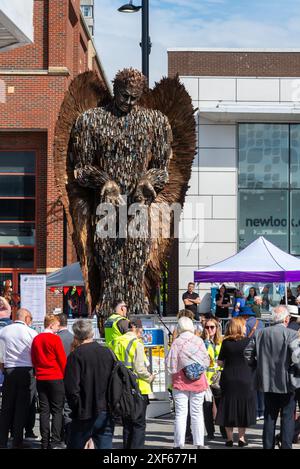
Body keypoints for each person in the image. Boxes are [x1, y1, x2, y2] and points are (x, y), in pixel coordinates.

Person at [245, 305, 300, 449]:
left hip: (267, 382)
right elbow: (298, 358)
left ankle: (268, 446)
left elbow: (248, 354)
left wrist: (258, 366)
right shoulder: (291, 334)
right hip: (288, 383)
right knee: (287, 418)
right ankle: (286, 446)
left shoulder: (260, 333)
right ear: (286, 319)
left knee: (270, 417)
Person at [64, 319, 115, 449]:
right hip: (105, 409)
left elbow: (71, 388)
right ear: (92, 333)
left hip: (84, 411)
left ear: (76, 336)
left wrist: (75, 408)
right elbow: (114, 382)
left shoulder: (75, 356)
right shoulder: (107, 352)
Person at [110, 319, 155, 449]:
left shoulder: (115, 341)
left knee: (127, 423)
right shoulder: (137, 343)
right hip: (138, 387)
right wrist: (150, 377)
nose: (142, 332)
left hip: (121, 387)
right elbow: (140, 369)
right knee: (138, 424)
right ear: (135, 328)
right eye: (141, 329)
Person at [166, 316, 210, 449]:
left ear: (179, 327)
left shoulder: (177, 342)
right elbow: (206, 361)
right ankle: (199, 443)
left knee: (180, 413)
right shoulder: (199, 341)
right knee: (197, 412)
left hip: (180, 381)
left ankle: (178, 443)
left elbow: (171, 365)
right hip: (198, 381)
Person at [215, 317, 256, 447]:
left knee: (228, 406)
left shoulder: (226, 343)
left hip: (229, 378)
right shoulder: (248, 341)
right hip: (245, 377)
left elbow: (220, 361)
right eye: (244, 325)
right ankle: (242, 438)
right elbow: (253, 358)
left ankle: (229, 438)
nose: (245, 328)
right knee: (242, 407)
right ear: (239, 327)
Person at [0, 308, 37, 449]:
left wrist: (4, 369)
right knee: (22, 407)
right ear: (27, 318)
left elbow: (0, 355)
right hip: (26, 370)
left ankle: (2, 440)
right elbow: (35, 354)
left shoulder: (4, 331)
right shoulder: (32, 332)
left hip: (9, 369)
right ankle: (17, 441)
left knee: (6, 407)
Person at [31, 313, 67, 449]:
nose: (58, 328)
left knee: (44, 411)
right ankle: (55, 440)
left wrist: (37, 371)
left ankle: (44, 442)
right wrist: (66, 376)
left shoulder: (36, 339)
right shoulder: (55, 339)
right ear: (51, 325)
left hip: (41, 377)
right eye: (57, 325)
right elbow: (62, 360)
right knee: (57, 410)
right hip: (56, 377)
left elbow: (33, 358)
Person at [202, 317, 226, 440]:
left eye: (212, 327)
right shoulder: (202, 342)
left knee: (221, 406)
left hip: (219, 378)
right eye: (207, 327)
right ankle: (210, 432)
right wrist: (206, 340)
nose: (209, 329)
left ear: (217, 328)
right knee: (207, 406)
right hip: (205, 379)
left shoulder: (221, 342)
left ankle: (223, 431)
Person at [238, 306, 265, 421]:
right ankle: (262, 410)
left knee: (253, 385)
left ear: (245, 316)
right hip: (262, 356)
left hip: (251, 357)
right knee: (261, 386)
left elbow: (244, 341)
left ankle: (255, 410)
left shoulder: (245, 325)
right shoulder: (261, 323)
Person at [56, 313, 74, 444]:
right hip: (70, 376)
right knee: (68, 407)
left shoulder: (56, 338)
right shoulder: (73, 338)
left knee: (57, 409)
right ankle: (69, 436)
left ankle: (58, 436)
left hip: (56, 376)